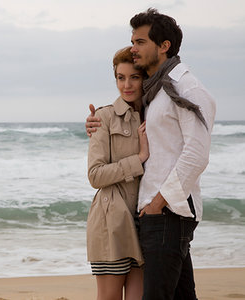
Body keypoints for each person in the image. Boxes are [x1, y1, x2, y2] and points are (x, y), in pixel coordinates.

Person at [85, 8, 216, 300]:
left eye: (140, 41)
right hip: (150, 214)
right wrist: (98, 123)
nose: (134, 48)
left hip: (167, 211)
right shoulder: (157, 93)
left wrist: (158, 203)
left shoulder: (186, 88)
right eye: (133, 41)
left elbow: (196, 153)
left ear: (163, 45)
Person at [87, 46, 149, 300]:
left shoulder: (153, 114)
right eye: (120, 78)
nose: (127, 85)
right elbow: (95, 175)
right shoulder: (103, 117)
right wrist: (139, 159)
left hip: (145, 221)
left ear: (145, 78)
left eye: (134, 77)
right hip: (111, 221)